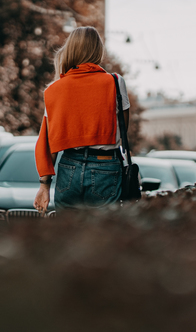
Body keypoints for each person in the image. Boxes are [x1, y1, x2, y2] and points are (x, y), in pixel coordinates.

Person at [34, 27, 131, 213]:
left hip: (68, 168)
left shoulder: (54, 89)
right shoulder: (115, 82)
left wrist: (44, 186)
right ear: (97, 50)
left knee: (68, 235)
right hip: (105, 168)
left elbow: (46, 142)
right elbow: (123, 129)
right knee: (103, 235)